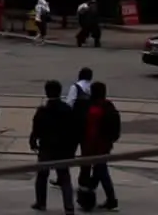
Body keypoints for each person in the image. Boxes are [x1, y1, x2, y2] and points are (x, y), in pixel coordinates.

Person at [30, 80, 78, 213]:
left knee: (42, 176)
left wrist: (33, 141)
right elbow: (74, 131)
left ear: (46, 92)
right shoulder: (67, 109)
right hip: (63, 149)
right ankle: (69, 207)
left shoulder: (43, 111)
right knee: (64, 178)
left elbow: (36, 129)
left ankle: (41, 202)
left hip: (47, 148)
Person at [78, 81, 120, 212]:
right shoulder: (109, 107)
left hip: (92, 146)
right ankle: (95, 197)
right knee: (99, 172)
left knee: (100, 172)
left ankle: (109, 199)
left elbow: (87, 129)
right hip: (104, 146)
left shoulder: (91, 108)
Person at [62, 67, 94, 188]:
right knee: (86, 154)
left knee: (68, 153)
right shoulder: (92, 88)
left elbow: (69, 104)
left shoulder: (75, 87)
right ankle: (84, 180)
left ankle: (63, 178)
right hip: (88, 125)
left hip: (74, 125)